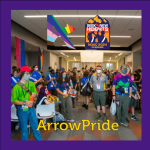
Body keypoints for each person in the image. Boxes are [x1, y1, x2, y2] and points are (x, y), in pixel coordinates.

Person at [11, 66, 42, 140]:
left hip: (31, 109)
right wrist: (24, 103)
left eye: (29, 73)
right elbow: (13, 100)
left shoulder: (31, 84)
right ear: (22, 74)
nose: (29, 75)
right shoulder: (17, 87)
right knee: (24, 130)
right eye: (27, 73)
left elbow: (36, 95)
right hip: (22, 110)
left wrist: (35, 95)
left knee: (36, 127)